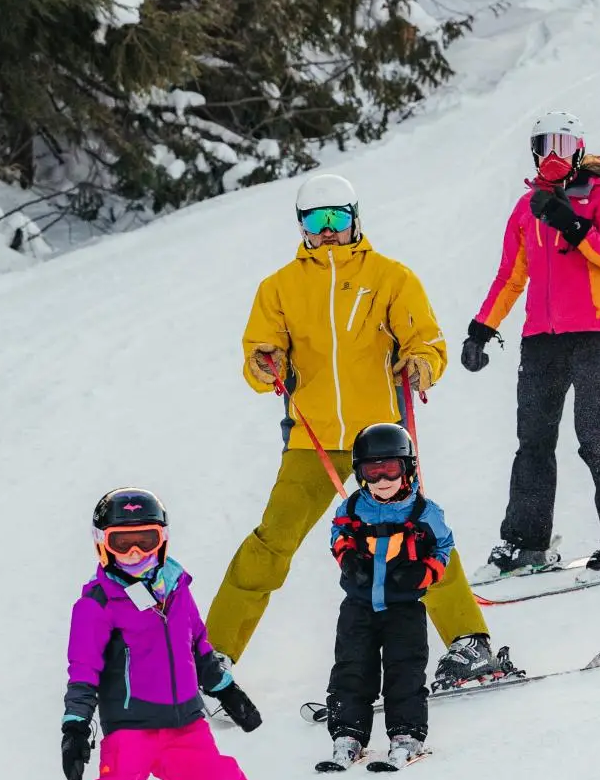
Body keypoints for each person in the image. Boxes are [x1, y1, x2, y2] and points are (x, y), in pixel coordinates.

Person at [206, 172, 516, 689]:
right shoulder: (279, 287)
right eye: (315, 221)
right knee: (271, 542)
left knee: (416, 534)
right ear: (301, 226)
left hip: (380, 437)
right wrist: (265, 364)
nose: (328, 231)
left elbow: (427, 340)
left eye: (337, 219)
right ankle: (212, 656)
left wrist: (421, 362)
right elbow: (257, 352)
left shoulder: (391, 277)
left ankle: (470, 644)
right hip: (314, 439)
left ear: (355, 220)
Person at [40, 487, 310, 780]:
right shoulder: (97, 603)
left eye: (144, 540)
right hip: (131, 729)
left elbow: (199, 649)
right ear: (100, 543)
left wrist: (229, 692)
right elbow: (83, 672)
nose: (133, 552)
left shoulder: (176, 589)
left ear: (162, 540)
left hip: (187, 726)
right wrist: (75, 726)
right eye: (119, 542)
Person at [461, 111, 600, 576]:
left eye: (564, 146)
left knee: (592, 435)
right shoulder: (526, 208)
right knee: (533, 442)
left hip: (595, 335)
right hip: (541, 340)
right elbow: (510, 276)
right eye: (545, 146)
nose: (554, 156)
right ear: (533, 151)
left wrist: (575, 225)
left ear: (579, 150)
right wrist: (481, 329)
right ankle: (526, 544)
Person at [319, 423, 451, 772]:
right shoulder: (353, 507)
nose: (381, 481)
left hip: (403, 608)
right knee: (351, 669)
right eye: (371, 472)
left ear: (406, 467)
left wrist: (422, 573)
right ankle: (348, 735)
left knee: (404, 670)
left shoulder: (423, 512)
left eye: (389, 469)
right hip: (359, 606)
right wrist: (348, 559)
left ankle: (406, 735)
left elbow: (444, 548)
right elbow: (338, 534)